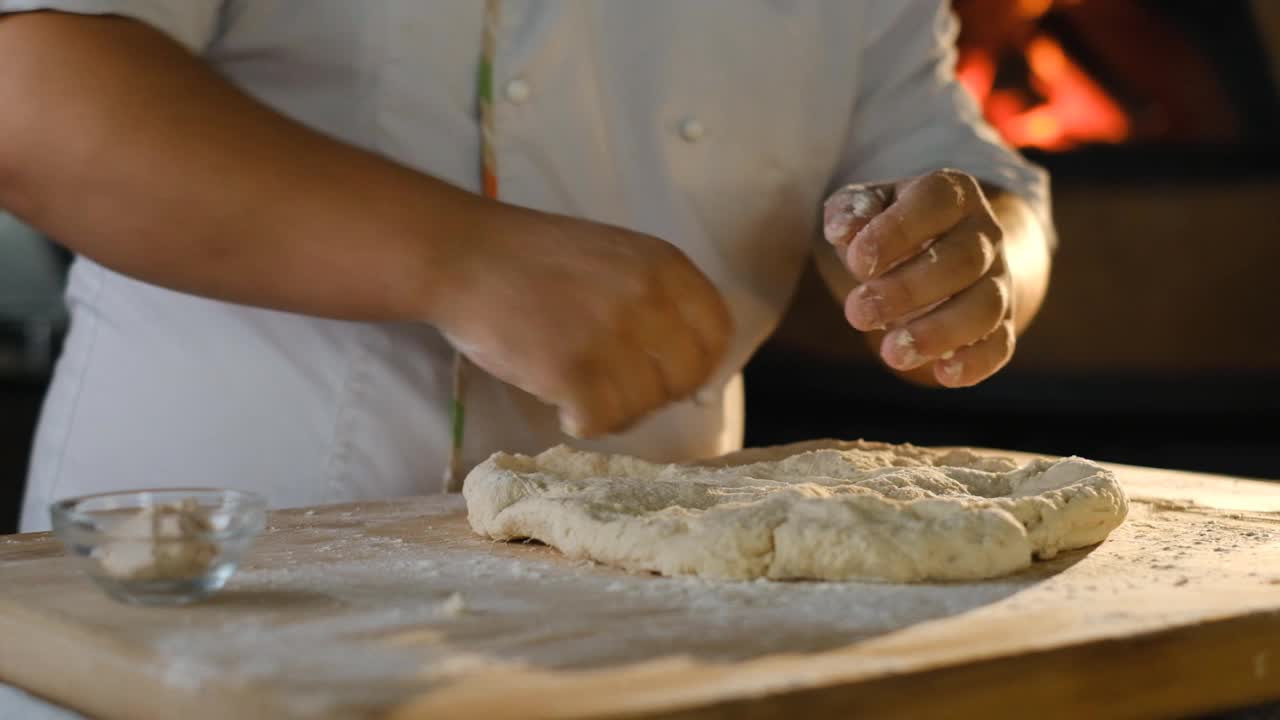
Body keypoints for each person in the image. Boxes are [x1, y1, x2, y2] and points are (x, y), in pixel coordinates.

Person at [0, 1, 1051, 533]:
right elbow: (31, 93)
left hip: (658, 605)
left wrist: (972, 257)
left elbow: (944, 157)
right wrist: (457, 259)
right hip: (217, 562)